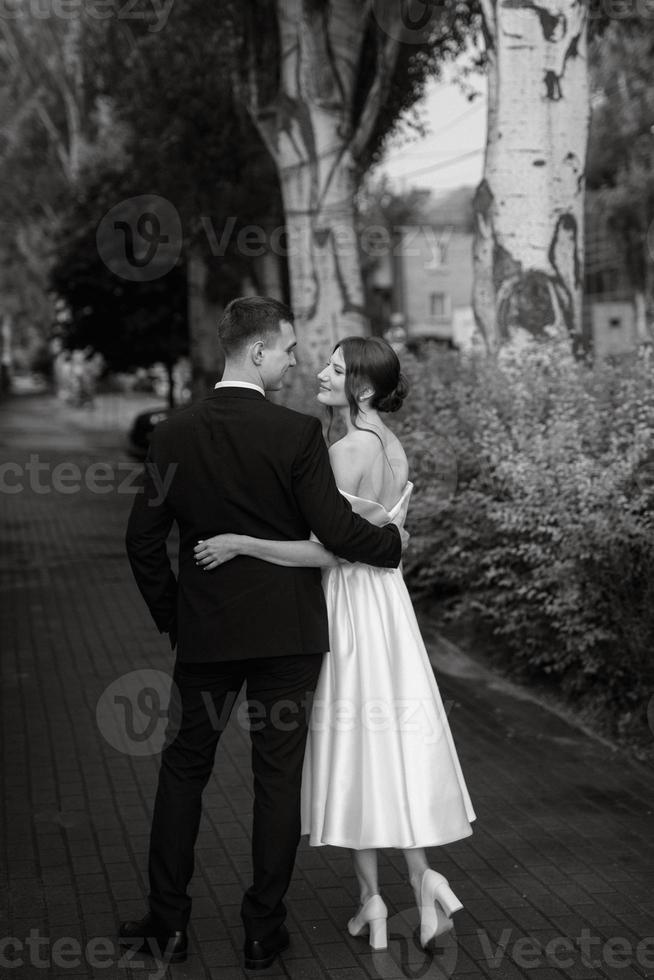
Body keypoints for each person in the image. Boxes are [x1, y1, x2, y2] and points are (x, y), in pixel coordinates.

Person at [122, 298, 403, 969]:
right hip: (288, 634)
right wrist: (391, 545)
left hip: (208, 635)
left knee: (184, 771)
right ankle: (261, 930)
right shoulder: (296, 434)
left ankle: (168, 925)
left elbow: (141, 542)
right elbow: (335, 533)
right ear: (257, 353)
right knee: (278, 780)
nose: (295, 361)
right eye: (287, 350)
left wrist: (175, 616)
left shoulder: (173, 434)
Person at [194, 336, 476, 952]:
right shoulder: (390, 444)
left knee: (353, 746)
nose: (321, 372)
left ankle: (382, 897)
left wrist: (243, 542)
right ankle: (410, 885)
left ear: (365, 388)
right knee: (385, 744)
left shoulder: (349, 449)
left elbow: (329, 548)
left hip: (348, 606)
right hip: (387, 609)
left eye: (337, 368)